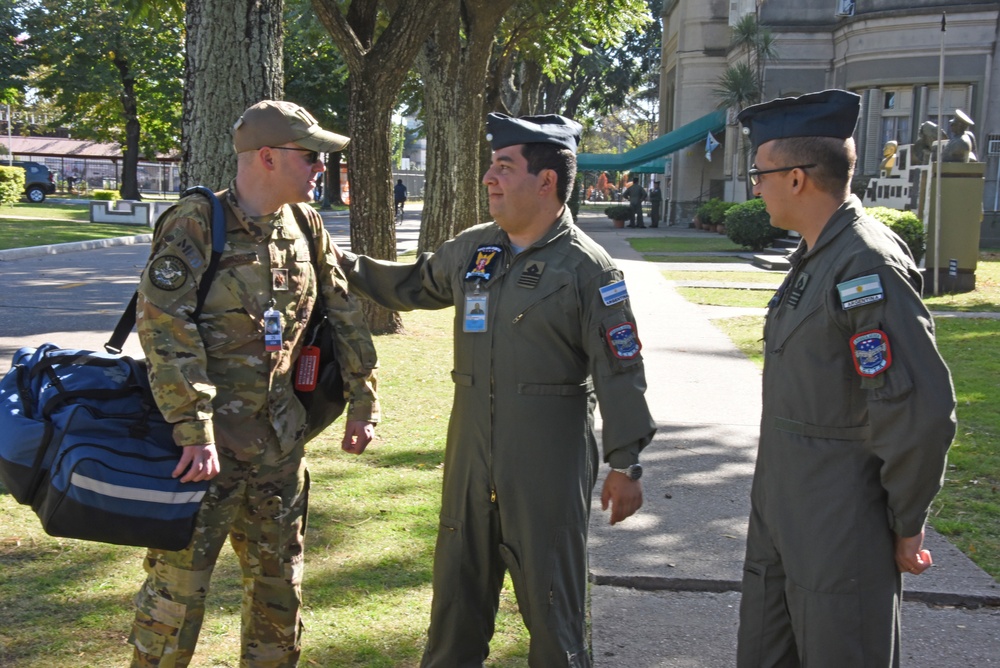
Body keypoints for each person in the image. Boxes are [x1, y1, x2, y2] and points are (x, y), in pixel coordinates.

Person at [335, 112, 656, 667]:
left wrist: (625, 462)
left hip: (546, 459)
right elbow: (412, 284)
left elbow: (620, 368)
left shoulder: (588, 269)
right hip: (470, 453)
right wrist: (344, 264)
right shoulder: (476, 249)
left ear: (547, 181)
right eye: (491, 166)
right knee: (456, 597)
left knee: (552, 604)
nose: (490, 177)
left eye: (505, 167)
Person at [128, 100, 380, 667]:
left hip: (279, 449)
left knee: (278, 597)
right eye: (310, 156)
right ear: (266, 156)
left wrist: (364, 399)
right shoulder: (197, 222)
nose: (321, 168)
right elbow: (164, 325)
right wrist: (193, 429)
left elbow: (341, 314)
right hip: (202, 456)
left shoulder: (306, 224)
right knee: (175, 600)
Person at [735, 89, 956, 667]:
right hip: (783, 508)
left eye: (758, 173)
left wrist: (907, 521)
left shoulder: (865, 262)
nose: (753, 185)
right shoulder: (816, 257)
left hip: (839, 520)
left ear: (798, 178)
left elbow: (919, 410)